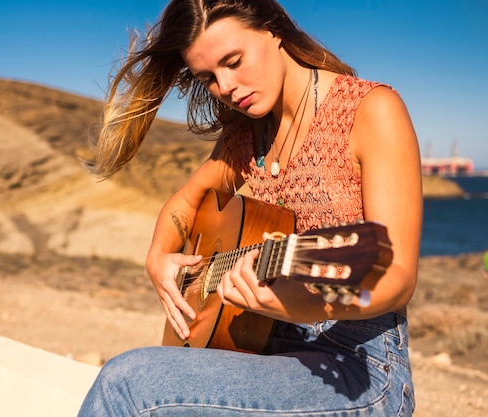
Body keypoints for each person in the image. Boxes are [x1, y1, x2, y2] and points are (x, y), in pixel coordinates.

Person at [79, 0, 422, 416]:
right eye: (209, 77)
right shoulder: (247, 137)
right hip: (260, 349)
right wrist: (158, 257)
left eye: (234, 61)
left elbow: (398, 277)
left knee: (126, 383)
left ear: (273, 29)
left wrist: (303, 305)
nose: (226, 86)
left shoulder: (369, 111)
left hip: (355, 368)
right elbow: (186, 201)